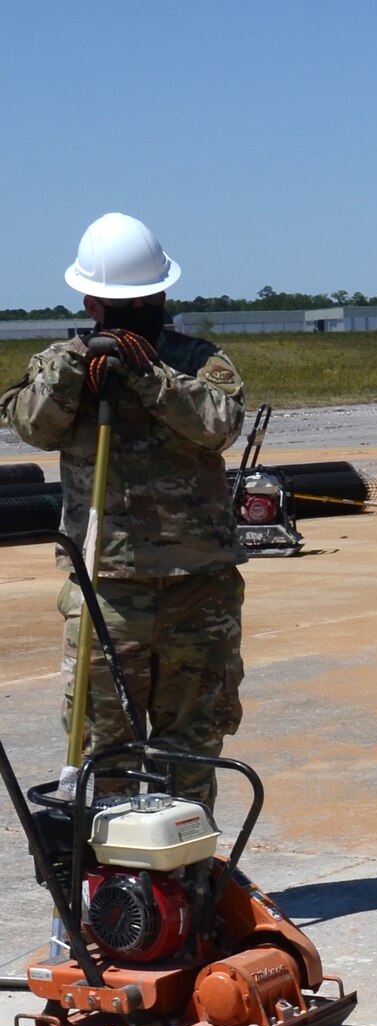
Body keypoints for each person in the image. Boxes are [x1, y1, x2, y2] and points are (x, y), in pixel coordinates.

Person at [0, 212, 246, 810]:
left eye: (147, 300)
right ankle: (110, 891)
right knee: (100, 750)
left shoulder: (196, 360)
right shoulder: (62, 365)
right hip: (107, 588)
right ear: (91, 302)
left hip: (198, 588)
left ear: (164, 295)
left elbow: (221, 425)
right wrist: (72, 374)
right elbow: (30, 424)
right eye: (122, 303)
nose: (137, 312)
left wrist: (150, 378)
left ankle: (186, 878)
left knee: (191, 744)